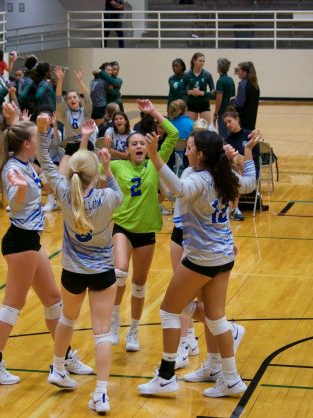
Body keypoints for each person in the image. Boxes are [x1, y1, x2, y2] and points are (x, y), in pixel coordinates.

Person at [137, 127, 261, 398]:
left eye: (190, 147)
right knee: (215, 318)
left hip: (201, 258)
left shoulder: (201, 180)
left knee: (170, 311)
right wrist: (249, 153)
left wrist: (156, 157)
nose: (186, 151)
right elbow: (251, 182)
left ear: (201, 154)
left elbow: (179, 189)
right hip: (223, 256)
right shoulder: (224, 176)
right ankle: (229, 377)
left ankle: (167, 376)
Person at [0, 120, 92, 386]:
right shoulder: (12, 170)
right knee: (13, 305)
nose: (41, 138)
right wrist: (19, 190)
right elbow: (17, 206)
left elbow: (30, 142)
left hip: (30, 241)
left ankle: (64, 356)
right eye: (36, 136)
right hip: (20, 242)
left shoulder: (25, 163)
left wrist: (19, 116)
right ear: (27, 144)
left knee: (53, 300)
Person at [37, 117, 123, 414]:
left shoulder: (63, 193)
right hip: (102, 273)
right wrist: (108, 170)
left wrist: (42, 132)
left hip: (72, 271)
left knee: (66, 320)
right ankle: (100, 394)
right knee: (101, 333)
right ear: (96, 172)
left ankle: (58, 367)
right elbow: (117, 194)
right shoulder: (108, 196)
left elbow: (45, 158)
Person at [109, 100, 178, 351]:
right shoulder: (118, 166)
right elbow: (88, 167)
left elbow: (174, 134)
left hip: (146, 231)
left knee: (139, 284)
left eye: (141, 143)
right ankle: (114, 321)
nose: (138, 146)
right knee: (119, 272)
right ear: (126, 150)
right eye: (133, 143)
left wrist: (152, 113)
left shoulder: (155, 163)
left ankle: (134, 331)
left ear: (148, 146)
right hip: (123, 228)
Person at [223, 106, 261, 221]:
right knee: (233, 167)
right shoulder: (228, 140)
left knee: (236, 161)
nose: (228, 125)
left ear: (237, 119)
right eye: (225, 123)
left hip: (251, 169)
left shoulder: (249, 135)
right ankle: (234, 208)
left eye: (230, 121)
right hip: (236, 171)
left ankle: (234, 208)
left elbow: (254, 158)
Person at [54, 66, 93, 173]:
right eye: (69, 98)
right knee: (61, 174)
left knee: (87, 175)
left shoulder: (86, 111)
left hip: (85, 145)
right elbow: (58, 98)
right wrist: (60, 80)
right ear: (67, 102)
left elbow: (88, 99)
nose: (72, 99)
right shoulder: (65, 113)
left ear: (79, 99)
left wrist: (79, 81)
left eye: (74, 97)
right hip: (71, 147)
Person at [185, 52, 215, 125]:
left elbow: (213, 93)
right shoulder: (187, 74)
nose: (202, 63)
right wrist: (190, 92)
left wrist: (202, 93)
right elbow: (181, 91)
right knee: (191, 128)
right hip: (191, 104)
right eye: (200, 61)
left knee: (205, 128)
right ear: (194, 61)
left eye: (203, 61)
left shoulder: (207, 75)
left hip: (204, 104)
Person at [231, 61, 260, 131]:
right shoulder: (255, 85)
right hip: (252, 118)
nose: (237, 72)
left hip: (243, 119)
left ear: (245, 72)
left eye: (238, 70)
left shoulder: (243, 85)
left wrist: (232, 100)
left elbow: (240, 103)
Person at [213, 58, 235, 138]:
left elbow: (219, 99)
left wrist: (215, 114)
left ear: (219, 68)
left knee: (223, 137)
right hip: (231, 111)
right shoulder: (230, 80)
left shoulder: (220, 81)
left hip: (223, 112)